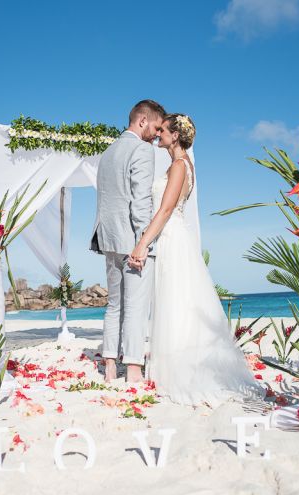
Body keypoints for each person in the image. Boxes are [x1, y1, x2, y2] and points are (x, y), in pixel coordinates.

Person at [128, 113, 261, 405]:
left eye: (162, 130)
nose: (159, 134)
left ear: (175, 136)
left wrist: (141, 244)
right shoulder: (183, 165)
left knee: (176, 302)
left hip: (172, 237)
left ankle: (182, 372)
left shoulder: (178, 166)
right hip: (173, 236)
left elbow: (164, 211)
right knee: (179, 302)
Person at [90, 99, 165, 383]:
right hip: (131, 240)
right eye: (156, 127)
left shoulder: (108, 152)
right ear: (142, 120)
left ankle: (110, 364)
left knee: (114, 304)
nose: (157, 134)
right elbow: (140, 201)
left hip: (107, 238)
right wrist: (142, 243)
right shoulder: (142, 150)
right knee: (135, 306)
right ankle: (133, 368)